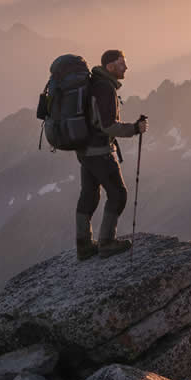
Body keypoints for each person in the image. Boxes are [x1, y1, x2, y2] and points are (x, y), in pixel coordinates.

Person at [76, 49, 148, 259]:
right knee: (118, 194)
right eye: (121, 63)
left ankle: (84, 245)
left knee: (89, 195)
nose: (126, 67)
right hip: (100, 152)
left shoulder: (93, 84)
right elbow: (108, 126)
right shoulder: (105, 88)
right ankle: (106, 243)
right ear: (110, 66)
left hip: (84, 151)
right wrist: (135, 129)